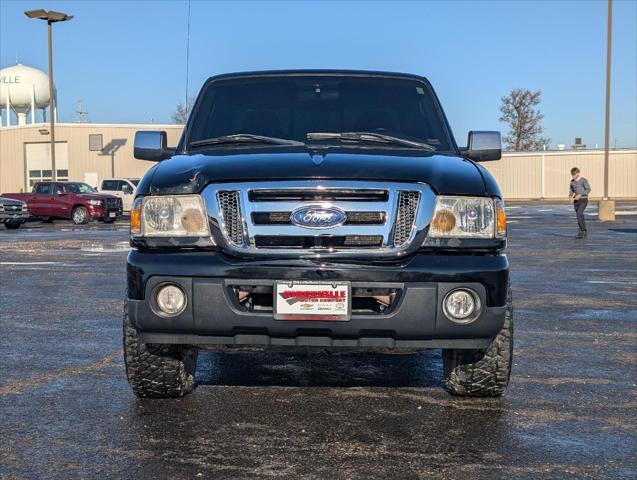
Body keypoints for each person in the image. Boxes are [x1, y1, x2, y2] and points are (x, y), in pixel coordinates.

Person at [569, 167, 591, 239]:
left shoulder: (583, 180)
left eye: (574, 174)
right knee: (579, 216)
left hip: (583, 200)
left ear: (578, 173)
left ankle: (583, 230)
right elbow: (571, 190)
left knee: (579, 214)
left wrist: (580, 195)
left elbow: (588, 189)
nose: (573, 176)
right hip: (576, 201)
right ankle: (581, 231)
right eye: (572, 174)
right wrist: (570, 195)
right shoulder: (572, 181)